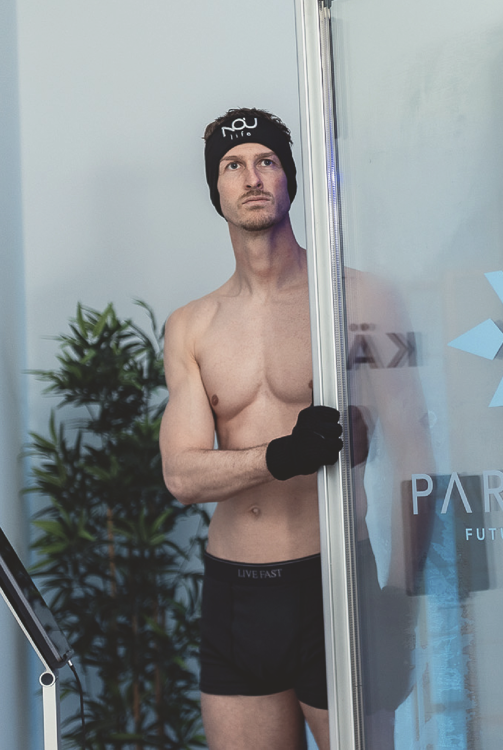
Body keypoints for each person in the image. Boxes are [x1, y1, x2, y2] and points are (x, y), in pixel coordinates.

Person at [159, 107, 341, 750]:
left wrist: (410, 590)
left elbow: (411, 449)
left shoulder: (345, 301)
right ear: (217, 190)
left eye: (267, 161)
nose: (252, 177)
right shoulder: (192, 325)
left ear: (290, 177)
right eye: (233, 166)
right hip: (236, 594)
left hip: (333, 579)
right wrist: (283, 454)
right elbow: (182, 475)